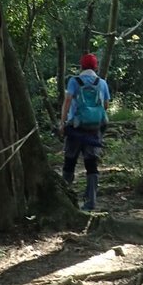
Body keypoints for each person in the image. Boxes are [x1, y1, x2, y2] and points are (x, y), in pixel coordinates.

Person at [59, 54, 110, 211]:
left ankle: (64, 199)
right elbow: (106, 106)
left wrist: (62, 123)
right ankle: (90, 202)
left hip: (75, 128)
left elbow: (67, 101)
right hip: (93, 130)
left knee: (69, 162)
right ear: (96, 67)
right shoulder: (102, 83)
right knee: (91, 164)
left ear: (81, 66)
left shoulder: (74, 81)